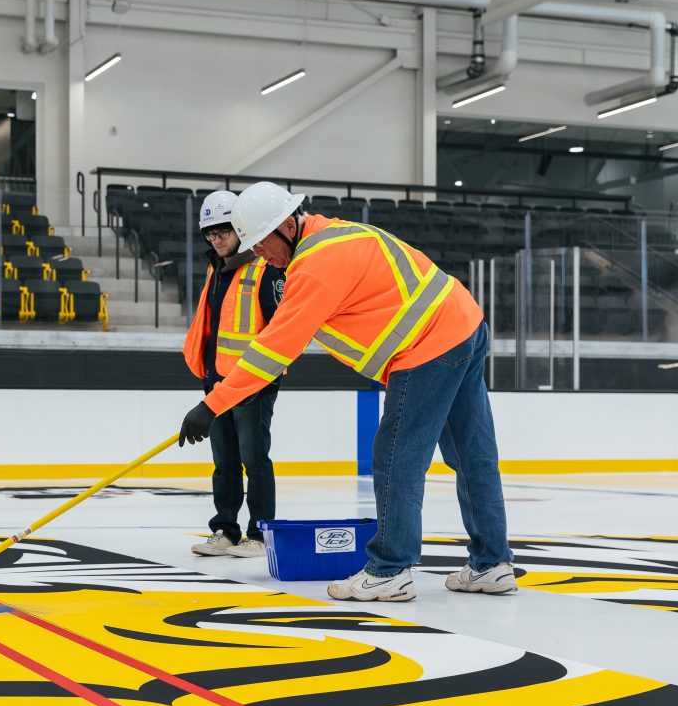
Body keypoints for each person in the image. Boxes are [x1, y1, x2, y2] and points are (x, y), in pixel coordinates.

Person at [177, 182, 515, 602]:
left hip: (428, 344)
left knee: (395, 455)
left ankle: (391, 569)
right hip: (462, 325)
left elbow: (274, 349)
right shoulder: (329, 235)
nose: (258, 254)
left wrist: (211, 405)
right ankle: (492, 563)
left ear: (286, 226)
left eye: (261, 243)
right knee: (471, 454)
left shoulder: (317, 263)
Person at [182, 191, 285, 558]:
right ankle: (225, 529)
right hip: (217, 383)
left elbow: (282, 332)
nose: (217, 238)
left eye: (223, 230)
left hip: (253, 385)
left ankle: (260, 534)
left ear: (240, 229)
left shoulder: (265, 268)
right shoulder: (216, 269)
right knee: (224, 462)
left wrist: (261, 379)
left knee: (255, 461)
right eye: (210, 233)